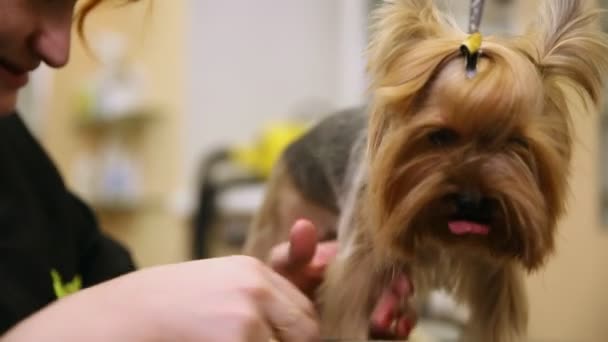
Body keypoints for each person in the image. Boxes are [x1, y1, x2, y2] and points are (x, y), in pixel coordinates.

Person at [0, 0, 413, 340]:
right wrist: (122, 317)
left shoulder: (18, 155)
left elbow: (108, 279)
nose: (59, 51)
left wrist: (272, 307)